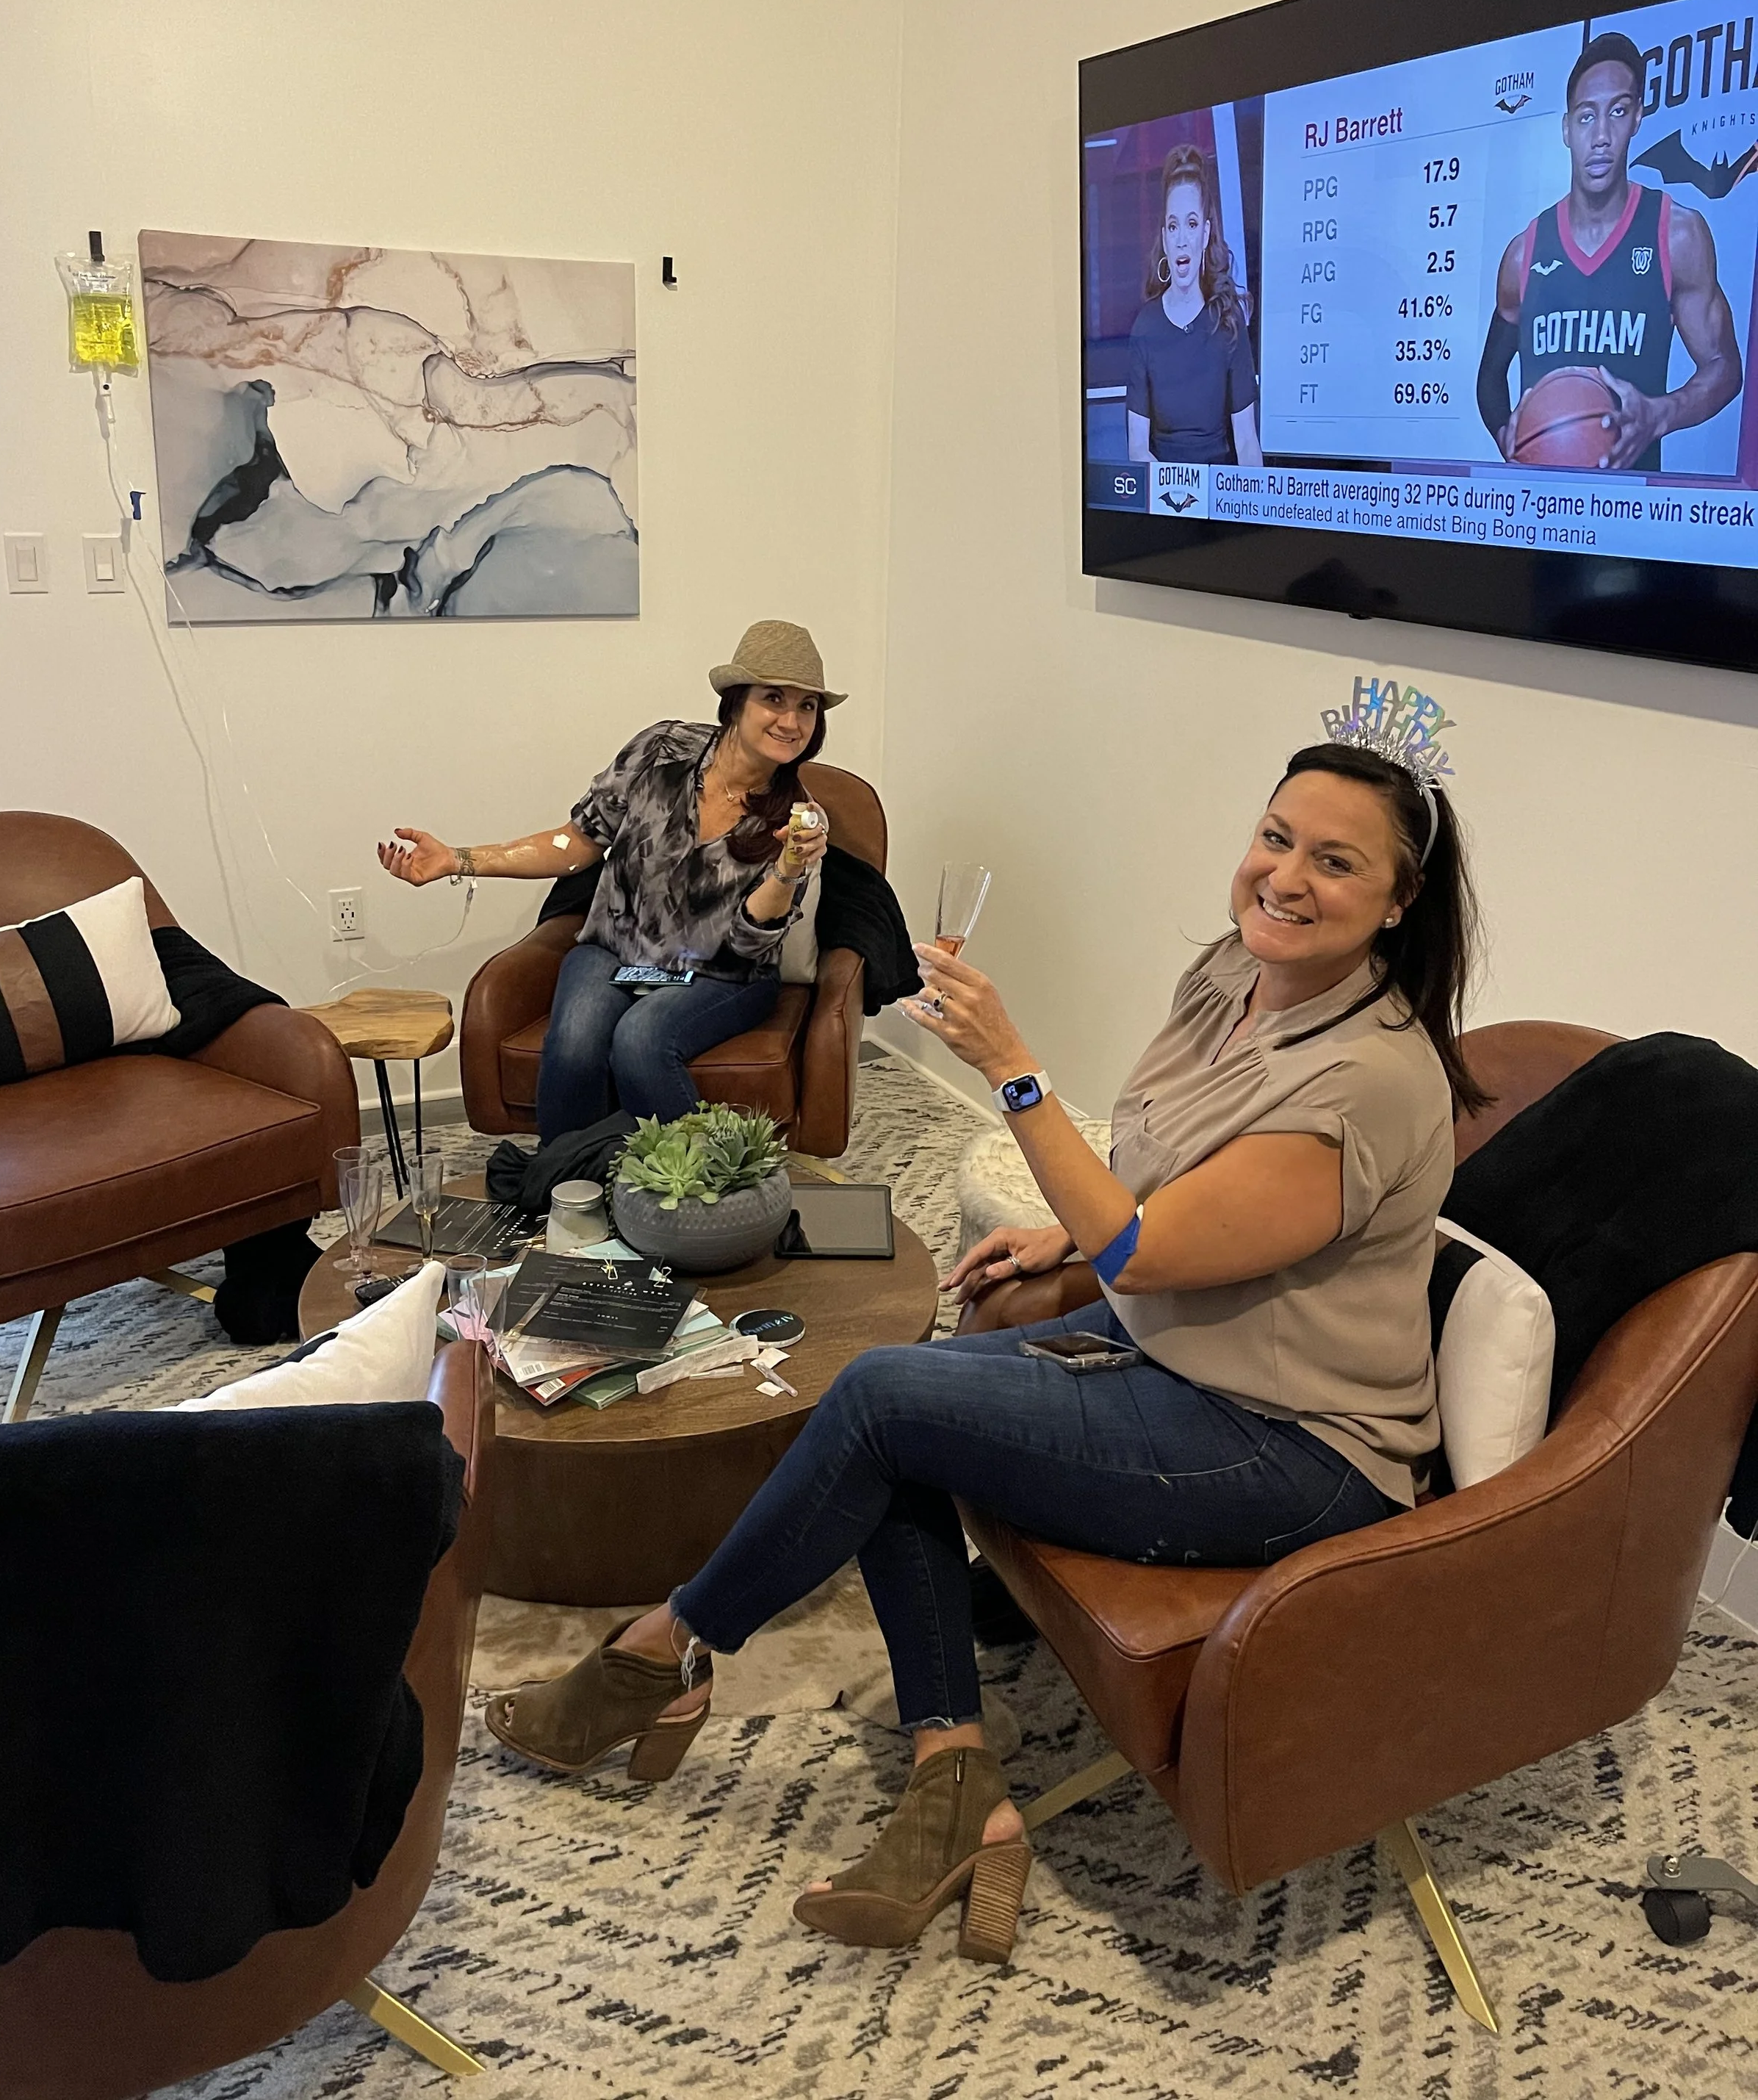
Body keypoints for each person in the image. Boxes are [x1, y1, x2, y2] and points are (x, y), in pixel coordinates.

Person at [483, 726, 1485, 1966]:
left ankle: (666, 1649)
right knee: (895, 1408)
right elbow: (1153, 1188)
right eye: (1275, 837)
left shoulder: (1370, 1079)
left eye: (1336, 861)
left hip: (1286, 1443)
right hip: (1175, 1351)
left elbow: (1152, 1253)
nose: (1285, 876)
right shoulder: (1234, 976)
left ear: (1400, 900)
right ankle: (955, 1768)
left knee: (885, 1395)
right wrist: (1061, 1252)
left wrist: (1016, 1072)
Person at [378, 620, 839, 1137]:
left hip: (720, 976)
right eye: (774, 697)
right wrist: (458, 859)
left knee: (641, 1039)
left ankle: (715, 1194)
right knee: (575, 1042)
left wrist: (789, 866)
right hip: (618, 953)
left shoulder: (798, 817)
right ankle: (572, 1190)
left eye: (807, 706)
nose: (791, 720)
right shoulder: (662, 749)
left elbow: (748, 944)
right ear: (736, 701)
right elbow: (576, 842)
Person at [1477, 31, 1743, 472]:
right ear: (1566, 129)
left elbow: (1724, 366)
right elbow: (1490, 376)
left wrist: (1663, 413)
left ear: (1637, 117)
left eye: (1617, 112)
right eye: (1585, 117)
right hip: (1535, 516)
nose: (1601, 136)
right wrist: (1509, 433)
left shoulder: (1676, 234)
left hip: (1628, 516)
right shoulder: (1525, 253)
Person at [1126, 142, 1264, 472]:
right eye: (1173, 226)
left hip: (1221, 502)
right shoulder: (1145, 330)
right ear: (1165, 237)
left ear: (1205, 235)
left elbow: (1246, 441)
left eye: (1191, 224)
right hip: (1166, 504)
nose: (1182, 239)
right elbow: (1137, 450)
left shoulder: (1228, 324)